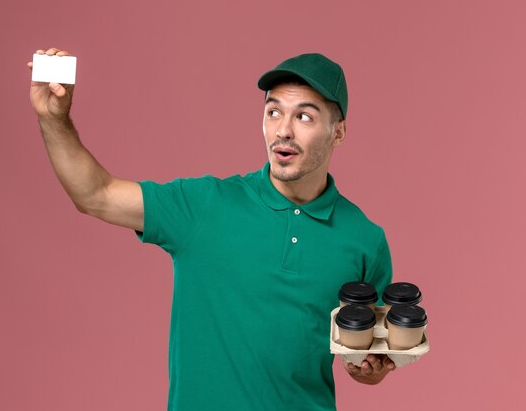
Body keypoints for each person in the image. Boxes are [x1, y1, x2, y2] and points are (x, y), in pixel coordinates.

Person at [28, 48, 396, 411]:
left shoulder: (365, 241)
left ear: (339, 131)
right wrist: (52, 118)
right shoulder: (205, 205)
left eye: (304, 117)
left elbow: (369, 357)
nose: (283, 130)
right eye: (273, 112)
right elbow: (96, 194)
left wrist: (368, 371)